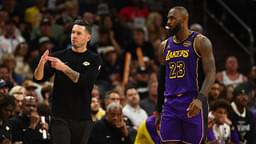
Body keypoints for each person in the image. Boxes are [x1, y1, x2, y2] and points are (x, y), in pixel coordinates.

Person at [34, 19, 102, 144]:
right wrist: (41, 63)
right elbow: (38, 78)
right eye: (73, 32)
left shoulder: (94, 59)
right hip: (60, 115)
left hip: (82, 116)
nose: (74, 36)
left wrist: (63, 68)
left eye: (78, 33)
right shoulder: (60, 55)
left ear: (88, 37)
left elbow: (86, 83)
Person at [156, 6, 216, 144]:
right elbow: (161, 80)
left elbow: (211, 73)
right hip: (170, 104)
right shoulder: (164, 46)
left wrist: (200, 99)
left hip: (192, 101)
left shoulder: (200, 41)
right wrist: (158, 109)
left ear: (183, 19)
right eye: (168, 18)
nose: (168, 22)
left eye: (172, 18)